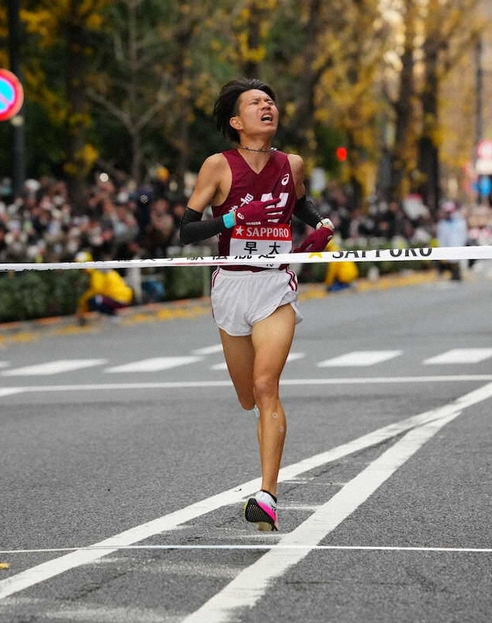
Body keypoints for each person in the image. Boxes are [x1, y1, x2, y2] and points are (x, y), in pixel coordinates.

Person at [178, 78, 335, 531]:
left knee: (267, 385)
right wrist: (230, 218)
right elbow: (186, 232)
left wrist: (321, 225)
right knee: (247, 396)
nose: (267, 107)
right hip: (231, 286)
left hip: (274, 286)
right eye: (255, 103)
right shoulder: (217, 167)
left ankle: (267, 494)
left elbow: (301, 206)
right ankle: (265, 479)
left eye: (270, 100)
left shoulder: (292, 164)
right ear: (236, 121)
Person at [74, 251, 134, 325]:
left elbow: (97, 290)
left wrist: (82, 303)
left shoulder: (96, 273)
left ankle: (112, 316)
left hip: (119, 298)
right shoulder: (100, 269)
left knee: (94, 300)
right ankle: (111, 315)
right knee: (96, 299)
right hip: (124, 296)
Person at [435, 200, 468, 281]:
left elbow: (463, 235)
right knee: (451, 262)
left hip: (458, 246)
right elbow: (441, 238)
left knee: (457, 262)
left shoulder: (460, 222)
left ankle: (457, 274)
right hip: (448, 248)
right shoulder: (442, 224)